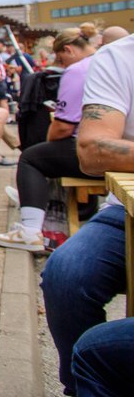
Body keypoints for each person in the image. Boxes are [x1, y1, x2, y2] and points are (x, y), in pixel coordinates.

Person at [40, 34, 134, 396]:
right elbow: (92, 150)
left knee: (33, 159)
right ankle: (80, 386)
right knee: (66, 274)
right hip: (125, 209)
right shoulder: (118, 57)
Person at [0, 28, 99, 252]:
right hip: (122, 148)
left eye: (61, 59)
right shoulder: (109, 62)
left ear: (68, 50)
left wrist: (50, 139)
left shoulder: (78, 70)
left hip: (100, 151)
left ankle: (30, 231)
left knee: (31, 158)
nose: (60, 65)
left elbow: (63, 127)